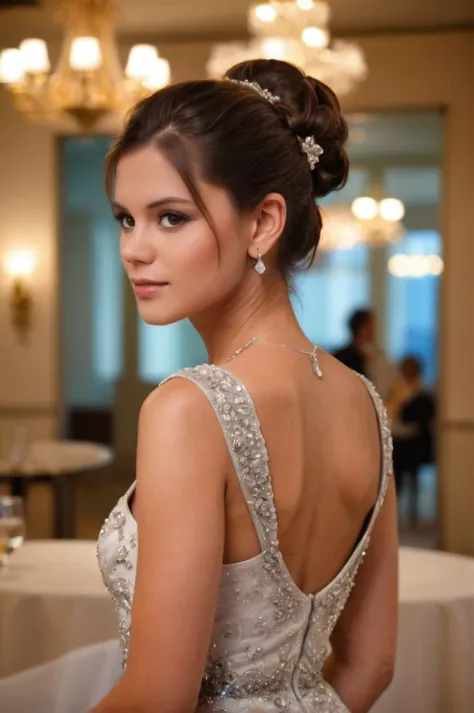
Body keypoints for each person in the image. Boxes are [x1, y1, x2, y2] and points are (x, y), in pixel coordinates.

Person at [0, 60, 398, 713]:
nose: (134, 248)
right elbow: (371, 663)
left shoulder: (191, 406)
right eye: (126, 219)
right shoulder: (366, 404)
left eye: (171, 217)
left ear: (264, 223)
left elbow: (157, 696)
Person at [388, 356, 436, 524]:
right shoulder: (396, 389)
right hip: (398, 439)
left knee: (414, 479)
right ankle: (395, 515)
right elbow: (390, 412)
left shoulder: (423, 390)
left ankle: (413, 515)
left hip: (415, 441)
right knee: (397, 479)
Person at [334, 310, 397, 401]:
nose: (375, 330)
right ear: (361, 328)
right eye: (371, 326)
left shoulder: (375, 355)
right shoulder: (342, 357)